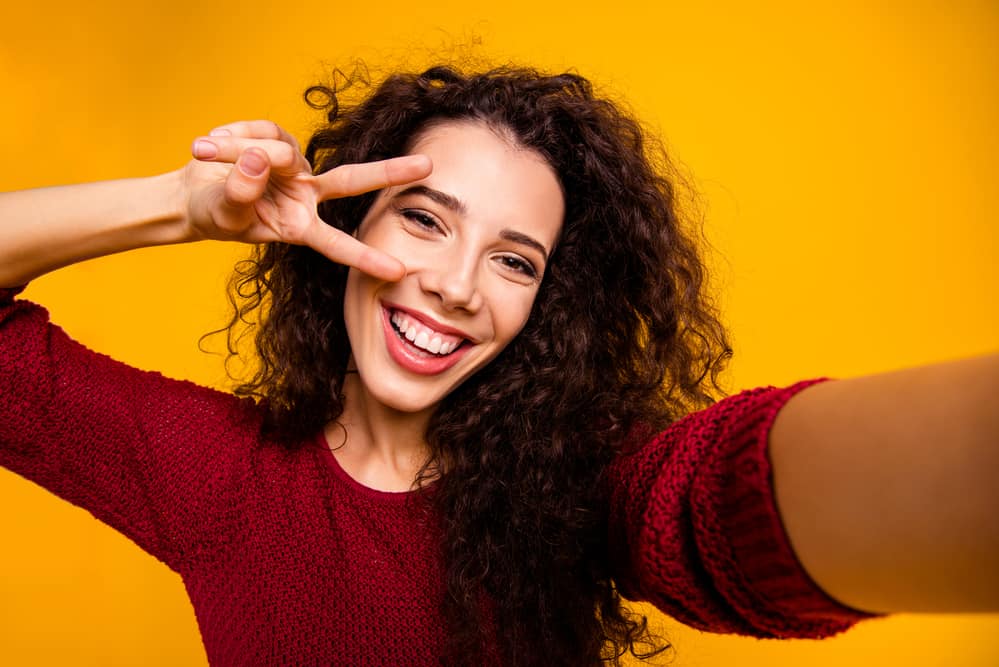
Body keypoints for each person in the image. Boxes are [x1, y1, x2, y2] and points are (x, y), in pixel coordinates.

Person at [0, 65, 996, 666]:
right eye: (426, 220)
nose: (455, 284)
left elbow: (712, 502)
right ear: (343, 221)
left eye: (514, 259)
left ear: (545, 304)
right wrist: (181, 206)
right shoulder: (216, 474)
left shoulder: (578, 487)